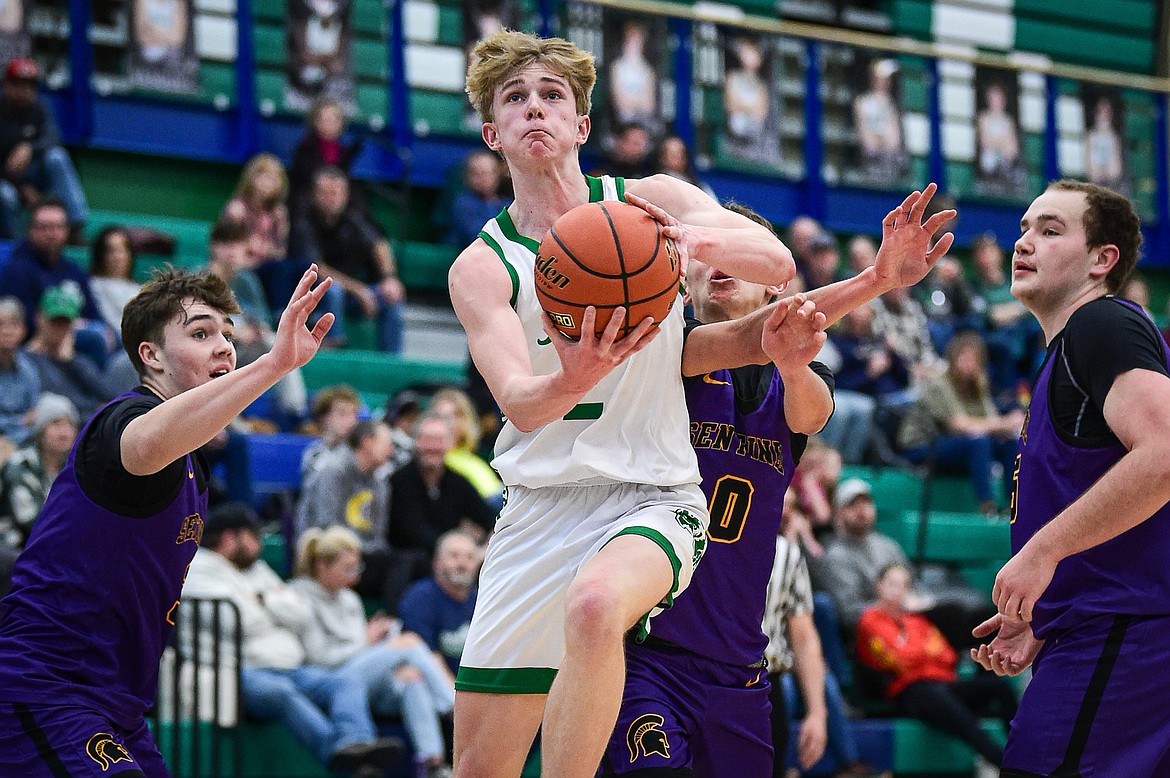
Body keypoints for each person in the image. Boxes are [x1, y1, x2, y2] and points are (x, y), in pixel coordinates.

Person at [452, 29, 952, 777]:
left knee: (595, 610)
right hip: (537, 509)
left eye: (553, 96)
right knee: (479, 768)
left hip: (652, 497)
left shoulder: (648, 202)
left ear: (582, 126)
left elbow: (775, 268)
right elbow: (522, 405)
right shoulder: (481, 267)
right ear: (493, 133)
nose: (536, 109)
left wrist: (689, 236)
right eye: (515, 99)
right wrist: (576, 374)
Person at [604, 198, 952, 778]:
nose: (720, 262)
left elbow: (811, 414)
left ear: (775, 286)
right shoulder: (659, 349)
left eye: (741, 253)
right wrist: (873, 280)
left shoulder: (799, 377)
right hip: (645, 652)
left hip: (738, 664)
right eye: (708, 247)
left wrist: (794, 362)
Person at [0, 263, 334, 777]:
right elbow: (150, 440)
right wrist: (272, 366)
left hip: (120, 706)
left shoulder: (195, 464)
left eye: (226, 334)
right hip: (48, 686)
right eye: (201, 333)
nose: (224, 345)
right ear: (150, 356)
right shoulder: (122, 424)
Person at [973, 180, 1170, 777]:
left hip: (1126, 634)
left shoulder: (1102, 324)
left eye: (1051, 230)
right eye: (1025, 228)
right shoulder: (1068, 351)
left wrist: (1042, 553)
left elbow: (1164, 452)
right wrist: (1043, 614)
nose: (1024, 242)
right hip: (1111, 629)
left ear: (1101, 260)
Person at [182, 503, 404, 777]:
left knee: (344, 682)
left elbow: (300, 613)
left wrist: (261, 601)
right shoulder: (199, 568)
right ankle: (336, 751)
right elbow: (240, 621)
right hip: (236, 672)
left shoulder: (256, 569)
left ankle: (355, 742)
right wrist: (272, 603)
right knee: (281, 693)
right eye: (253, 536)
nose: (260, 544)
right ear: (230, 538)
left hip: (289, 668)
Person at [291, 526, 457, 778]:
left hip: (361, 678)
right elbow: (319, 658)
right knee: (410, 642)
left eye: (357, 568)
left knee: (411, 677)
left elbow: (361, 651)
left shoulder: (350, 599)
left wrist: (375, 644)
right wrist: (367, 643)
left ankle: (431, 763)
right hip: (329, 680)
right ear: (322, 565)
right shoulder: (300, 596)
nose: (355, 576)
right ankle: (455, 708)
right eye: (347, 568)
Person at [857, 562, 1016, 769]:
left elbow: (947, 656)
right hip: (908, 691)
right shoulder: (869, 620)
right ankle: (1000, 760)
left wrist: (910, 648)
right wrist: (922, 651)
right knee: (936, 696)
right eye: (891, 584)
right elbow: (898, 659)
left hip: (944, 683)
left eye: (902, 585)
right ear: (879, 585)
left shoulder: (917, 620)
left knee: (998, 686)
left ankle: (1024, 749)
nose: (896, 590)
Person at [898, 331, 1024, 514]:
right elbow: (957, 425)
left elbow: (992, 421)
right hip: (922, 446)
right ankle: (987, 506)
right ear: (953, 358)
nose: (969, 363)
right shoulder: (939, 383)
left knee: (1008, 444)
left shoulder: (977, 386)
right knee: (979, 443)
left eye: (974, 359)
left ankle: (1012, 507)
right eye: (964, 357)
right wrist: (1005, 423)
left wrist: (1005, 426)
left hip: (958, 444)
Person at [386, 413, 495, 612]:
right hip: (413, 565)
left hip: (451, 558)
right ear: (416, 443)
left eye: (438, 441)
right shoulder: (400, 481)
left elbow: (492, 520)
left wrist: (480, 552)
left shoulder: (457, 482)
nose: (432, 447)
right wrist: (459, 551)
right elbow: (415, 532)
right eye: (427, 440)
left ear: (449, 444)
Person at [291, 166, 405, 352]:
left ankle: (392, 358)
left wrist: (389, 277)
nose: (333, 197)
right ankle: (334, 344)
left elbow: (379, 245)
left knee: (391, 299)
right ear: (314, 194)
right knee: (331, 289)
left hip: (353, 293)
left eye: (338, 192)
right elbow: (317, 268)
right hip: (313, 295)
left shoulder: (353, 218)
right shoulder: (303, 222)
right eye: (327, 192)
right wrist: (359, 290)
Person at [296, 419, 396, 604]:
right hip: (328, 554)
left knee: (411, 562)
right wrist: (357, 552)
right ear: (367, 442)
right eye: (387, 444)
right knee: (401, 565)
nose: (391, 451)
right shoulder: (332, 471)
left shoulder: (381, 483)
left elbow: (379, 534)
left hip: (362, 555)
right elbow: (325, 526)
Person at [0, 57, 87, 241]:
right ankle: (16, 245)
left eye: (30, 86)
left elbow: (53, 139)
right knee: (4, 194)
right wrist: (22, 186)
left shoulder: (39, 110)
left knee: (57, 157)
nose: (24, 91)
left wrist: (30, 148)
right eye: (18, 84)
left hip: (34, 176)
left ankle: (74, 226)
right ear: (6, 85)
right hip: (6, 181)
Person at [21, 284, 123, 420]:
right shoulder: (25, 360)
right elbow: (58, 402)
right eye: (54, 321)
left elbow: (110, 395)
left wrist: (69, 361)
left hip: (88, 427)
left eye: (65, 322)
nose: (60, 328)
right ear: (39, 318)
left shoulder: (77, 360)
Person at [399, 530, 483, 678]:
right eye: (454, 556)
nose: (462, 564)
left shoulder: (484, 600)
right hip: (432, 684)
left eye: (469, 557)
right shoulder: (421, 597)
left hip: (471, 688)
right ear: (437, 563)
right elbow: (425, 656)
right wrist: (454, 697)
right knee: (411, 676)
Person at [0, 393, 77, 551]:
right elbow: (32, 524)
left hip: (56, 544)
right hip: (16, 545)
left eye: (69, 425)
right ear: (40, 431)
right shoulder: (20, 464)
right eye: (56, 424)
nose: (64, 432)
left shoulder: (73, 466)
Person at [221, 152, 292, 313]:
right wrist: (259, 250)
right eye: (263, 176)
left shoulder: (279, 213)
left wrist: (260, 248)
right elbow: (227, 244)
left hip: (267, 266)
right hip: (240, 264)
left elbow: (280, 251)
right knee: (252, 276)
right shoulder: (237, 209)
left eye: (273, 178)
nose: (267, 183)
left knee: (289, 269)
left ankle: (284, 315)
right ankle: (274, 317)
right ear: (251, 178)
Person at [428, 386, 504, 509]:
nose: (450, 422)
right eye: (442, 416)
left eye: (456, 415)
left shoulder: (476, 454)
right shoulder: (435, 460)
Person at [289, 95, 363, 218]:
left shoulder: (344, 152)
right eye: (324, 119)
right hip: (309, 207)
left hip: (340, 207)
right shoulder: (304, 149)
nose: (329, 124)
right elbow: (302, 187)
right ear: (315, 121)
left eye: (333, 119)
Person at [444, 150, 510, 249]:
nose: (484, 179)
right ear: (468, 177)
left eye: (488, 173)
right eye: (477, 174)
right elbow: (476, 236)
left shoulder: (508, 204)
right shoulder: (463, 203)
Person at [300, 383, 362, 479]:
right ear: (323, 418)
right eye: (342, 414)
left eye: (354, 414)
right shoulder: (314, 455)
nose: (351, 421)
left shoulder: (361, 452)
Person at [88, 225, 142, 335]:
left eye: (122, 250)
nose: (117, 257)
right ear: (101, 255)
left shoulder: (140, 289)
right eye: (111, 251)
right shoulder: (93, 285)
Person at [0, 296, 39, 446]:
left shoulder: (29, 368)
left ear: (23, 330)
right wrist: (19, 421)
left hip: (26, 438)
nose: (7, 331)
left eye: (13, 325)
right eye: (1, 325)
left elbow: (34, 414)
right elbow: (26, 419)